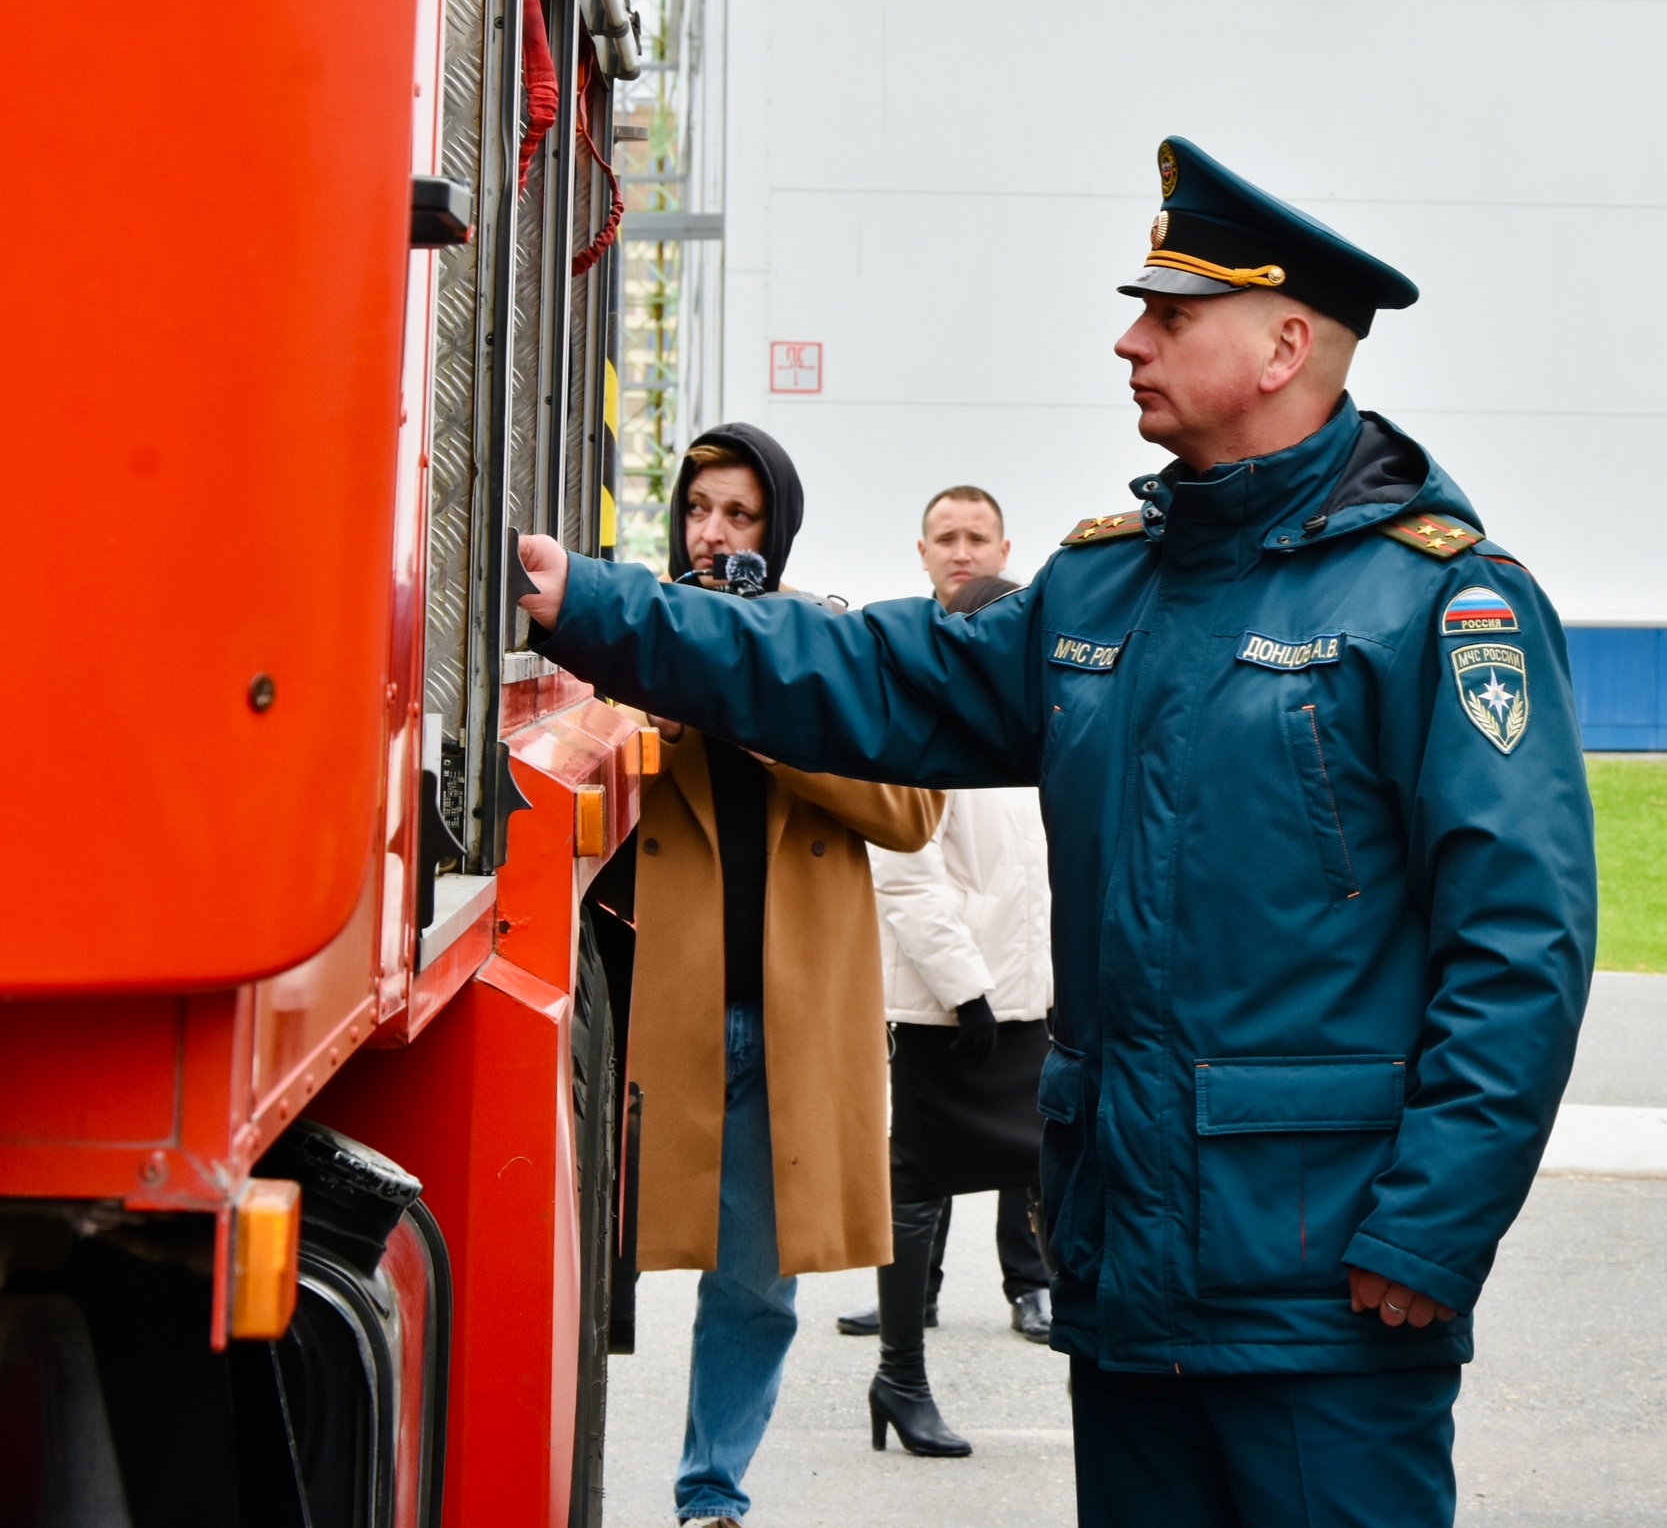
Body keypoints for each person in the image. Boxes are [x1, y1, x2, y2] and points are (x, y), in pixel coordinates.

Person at [514, 136, 1595, 1528]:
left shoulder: (1439, 603)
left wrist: (1433, 1224)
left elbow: (1520, 947)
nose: (1129, 340)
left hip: (1330, 1299)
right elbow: (863, 674)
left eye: (1171, 315)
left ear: (1284, 346)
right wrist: (594, 606)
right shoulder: (1102, 588)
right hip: (1127, 1283)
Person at [620, 424, 946, 1525]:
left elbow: (913, 809)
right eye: (697, 509)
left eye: (740, 515)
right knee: (589, 1259)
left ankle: (711, 1495)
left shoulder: (828, 641)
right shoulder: (636, 635)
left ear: (779, 529)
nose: (713, 535)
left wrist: (769, 712)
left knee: (757, 1284)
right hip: (660, 1013)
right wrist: (645, 722)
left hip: (794, 1017)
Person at [837, 494, 1053, 1374]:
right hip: (949, 981)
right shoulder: (915, 687)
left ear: (1004, 549)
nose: (962, 551)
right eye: (947, 538)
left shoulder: (1040, 700)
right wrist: (965, 985)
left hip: (1033, 974)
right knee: (926, 1153)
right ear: (923, 551)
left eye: (977, 538)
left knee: (1032, 1144)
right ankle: (912, 1296)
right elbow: (905, 868)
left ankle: (1029, 1283)